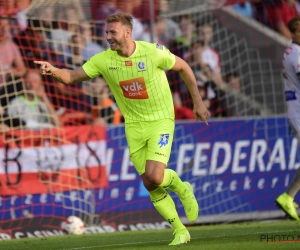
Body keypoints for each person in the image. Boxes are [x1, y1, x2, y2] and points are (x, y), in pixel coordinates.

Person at [34, 13, 209, 245]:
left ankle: (183, 189)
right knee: (149, 182)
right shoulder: (103, 60)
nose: (108, 37)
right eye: (106, 33)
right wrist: (53, 70)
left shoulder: (152, 52)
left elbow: (184, 67)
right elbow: (72, 77)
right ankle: (180, 230)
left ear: (127, 32)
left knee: (156, 175)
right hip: (133, 126)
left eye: (112, 32)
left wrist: (197, 102)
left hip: (160, 121)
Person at [275, 16, 300, 221]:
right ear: (293, 33)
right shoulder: (297, 54)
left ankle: (287, 196)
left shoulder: (291, 51)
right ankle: (287, 196)